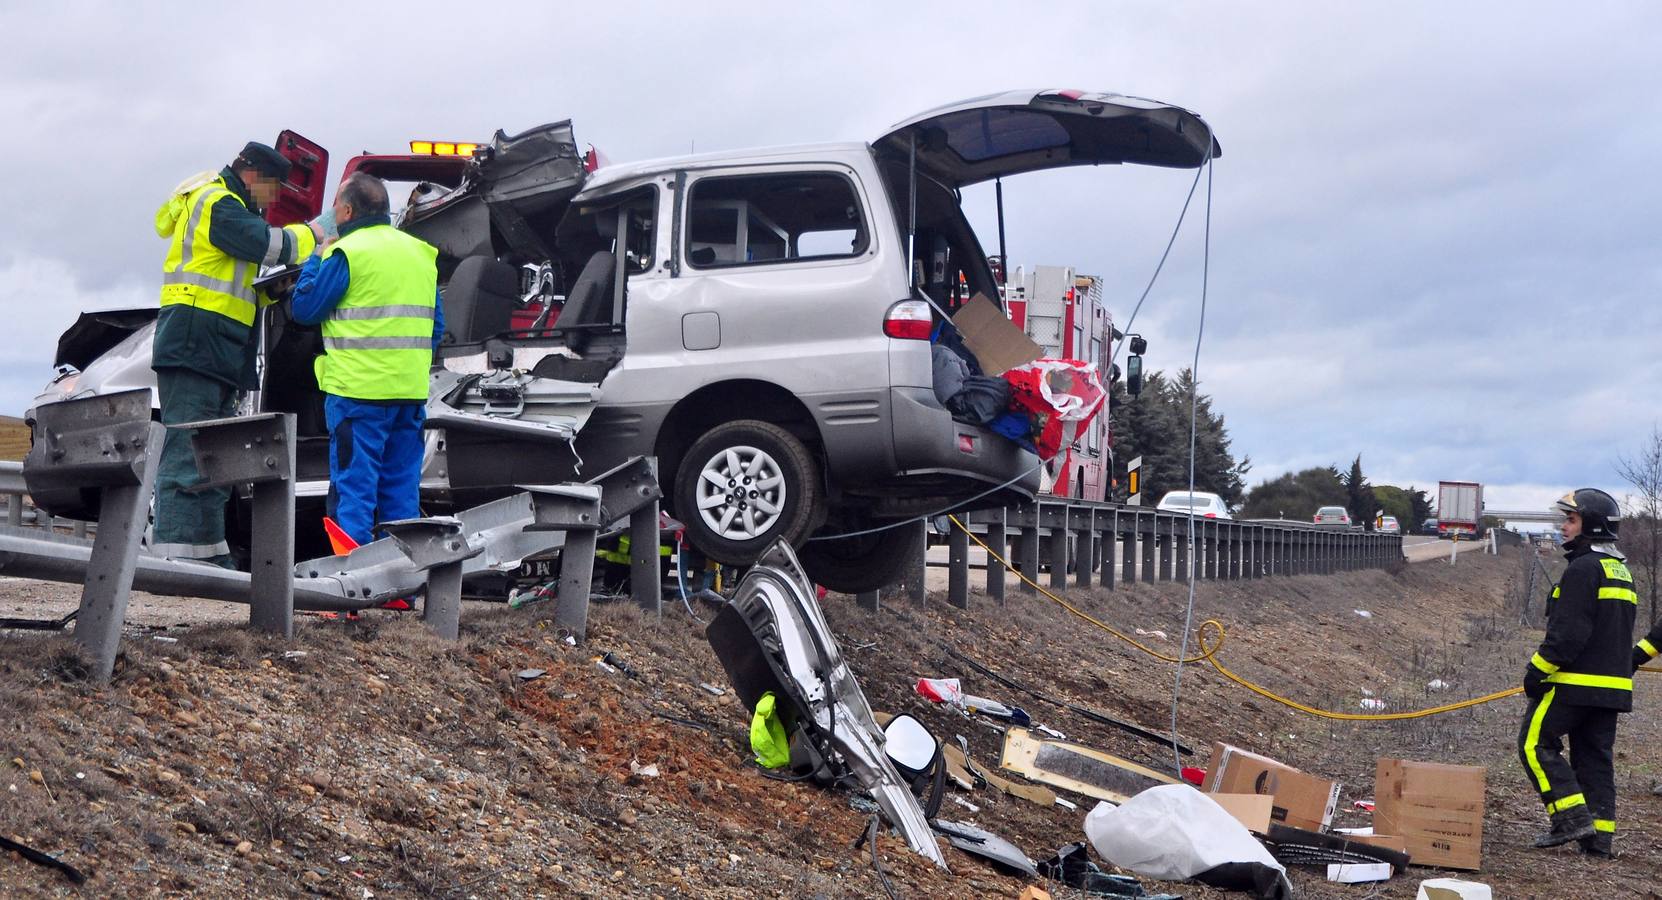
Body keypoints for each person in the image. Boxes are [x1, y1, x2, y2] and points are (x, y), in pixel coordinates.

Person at [153, 142, 318, 566]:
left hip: (217, 349)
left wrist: (271, 292)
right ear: (253, 176)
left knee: (216, 458)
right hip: (195, 344)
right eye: (274, 188)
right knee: (188, 452)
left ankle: (209, 556)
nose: (275, 198)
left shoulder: (232, 206)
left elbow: (233, 288)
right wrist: (315, 233)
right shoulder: (217, 202)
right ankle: (173, 561)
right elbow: (270, 245)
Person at [289, 173, 443, 557]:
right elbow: (436, 327)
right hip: (409, 394)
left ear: (346, 211)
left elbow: (304, 309)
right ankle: (401, 582)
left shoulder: (347, 253)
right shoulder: (420, 253)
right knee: (401, 493)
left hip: (358, 395)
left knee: (354, 493)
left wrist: (316, 256)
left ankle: (352, 584)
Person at [1518, 487, 1636, 858]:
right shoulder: (1620, 570)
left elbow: (1568, 635)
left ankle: (1569, 819)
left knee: (1534, 744)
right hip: (1610, 690)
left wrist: (1537, 672)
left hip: (1573, 685)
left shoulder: (1583, 569)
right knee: (1594, 760)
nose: (1564, 527)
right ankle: (1598, 840)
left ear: (1593, 525)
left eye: (1571, 520)